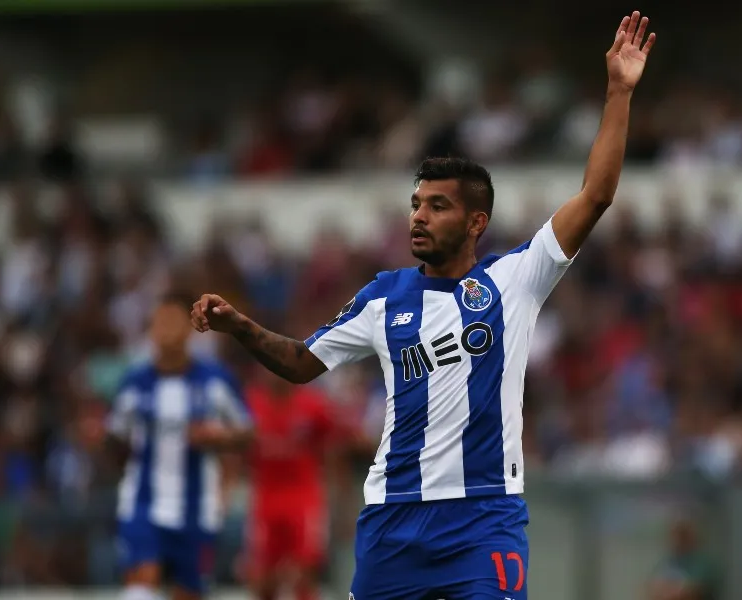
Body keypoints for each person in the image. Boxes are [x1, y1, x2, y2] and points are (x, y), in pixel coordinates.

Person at [191, 12, 655, 600]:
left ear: (475, 222)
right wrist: (238, 326)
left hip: (484, 518)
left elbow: (596, 195)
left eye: (437, 206)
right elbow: (302, 363)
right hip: (394, 519)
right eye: (416, 203)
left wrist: (617, 92)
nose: (418, 215)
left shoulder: (516, 279)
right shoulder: (384, 297)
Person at [107, 292, 254, 600]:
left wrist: (218, 438)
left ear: (188, 329)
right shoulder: (135, 382)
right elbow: (115, 436)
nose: (164, 331)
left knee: (187, 593)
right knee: (140, 582)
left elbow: (247, 432)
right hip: (143, 502)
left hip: (196, 508)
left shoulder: (215, 380)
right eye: (158, 323)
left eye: (172, 322)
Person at [244, 364, 362, 600]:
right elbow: (237, 449)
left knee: (304, 573)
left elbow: (337, 447)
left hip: (304, 501)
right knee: (262, 579)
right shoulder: (250, 404)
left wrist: (343, 497)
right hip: (266, 502)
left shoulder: (313, 405)